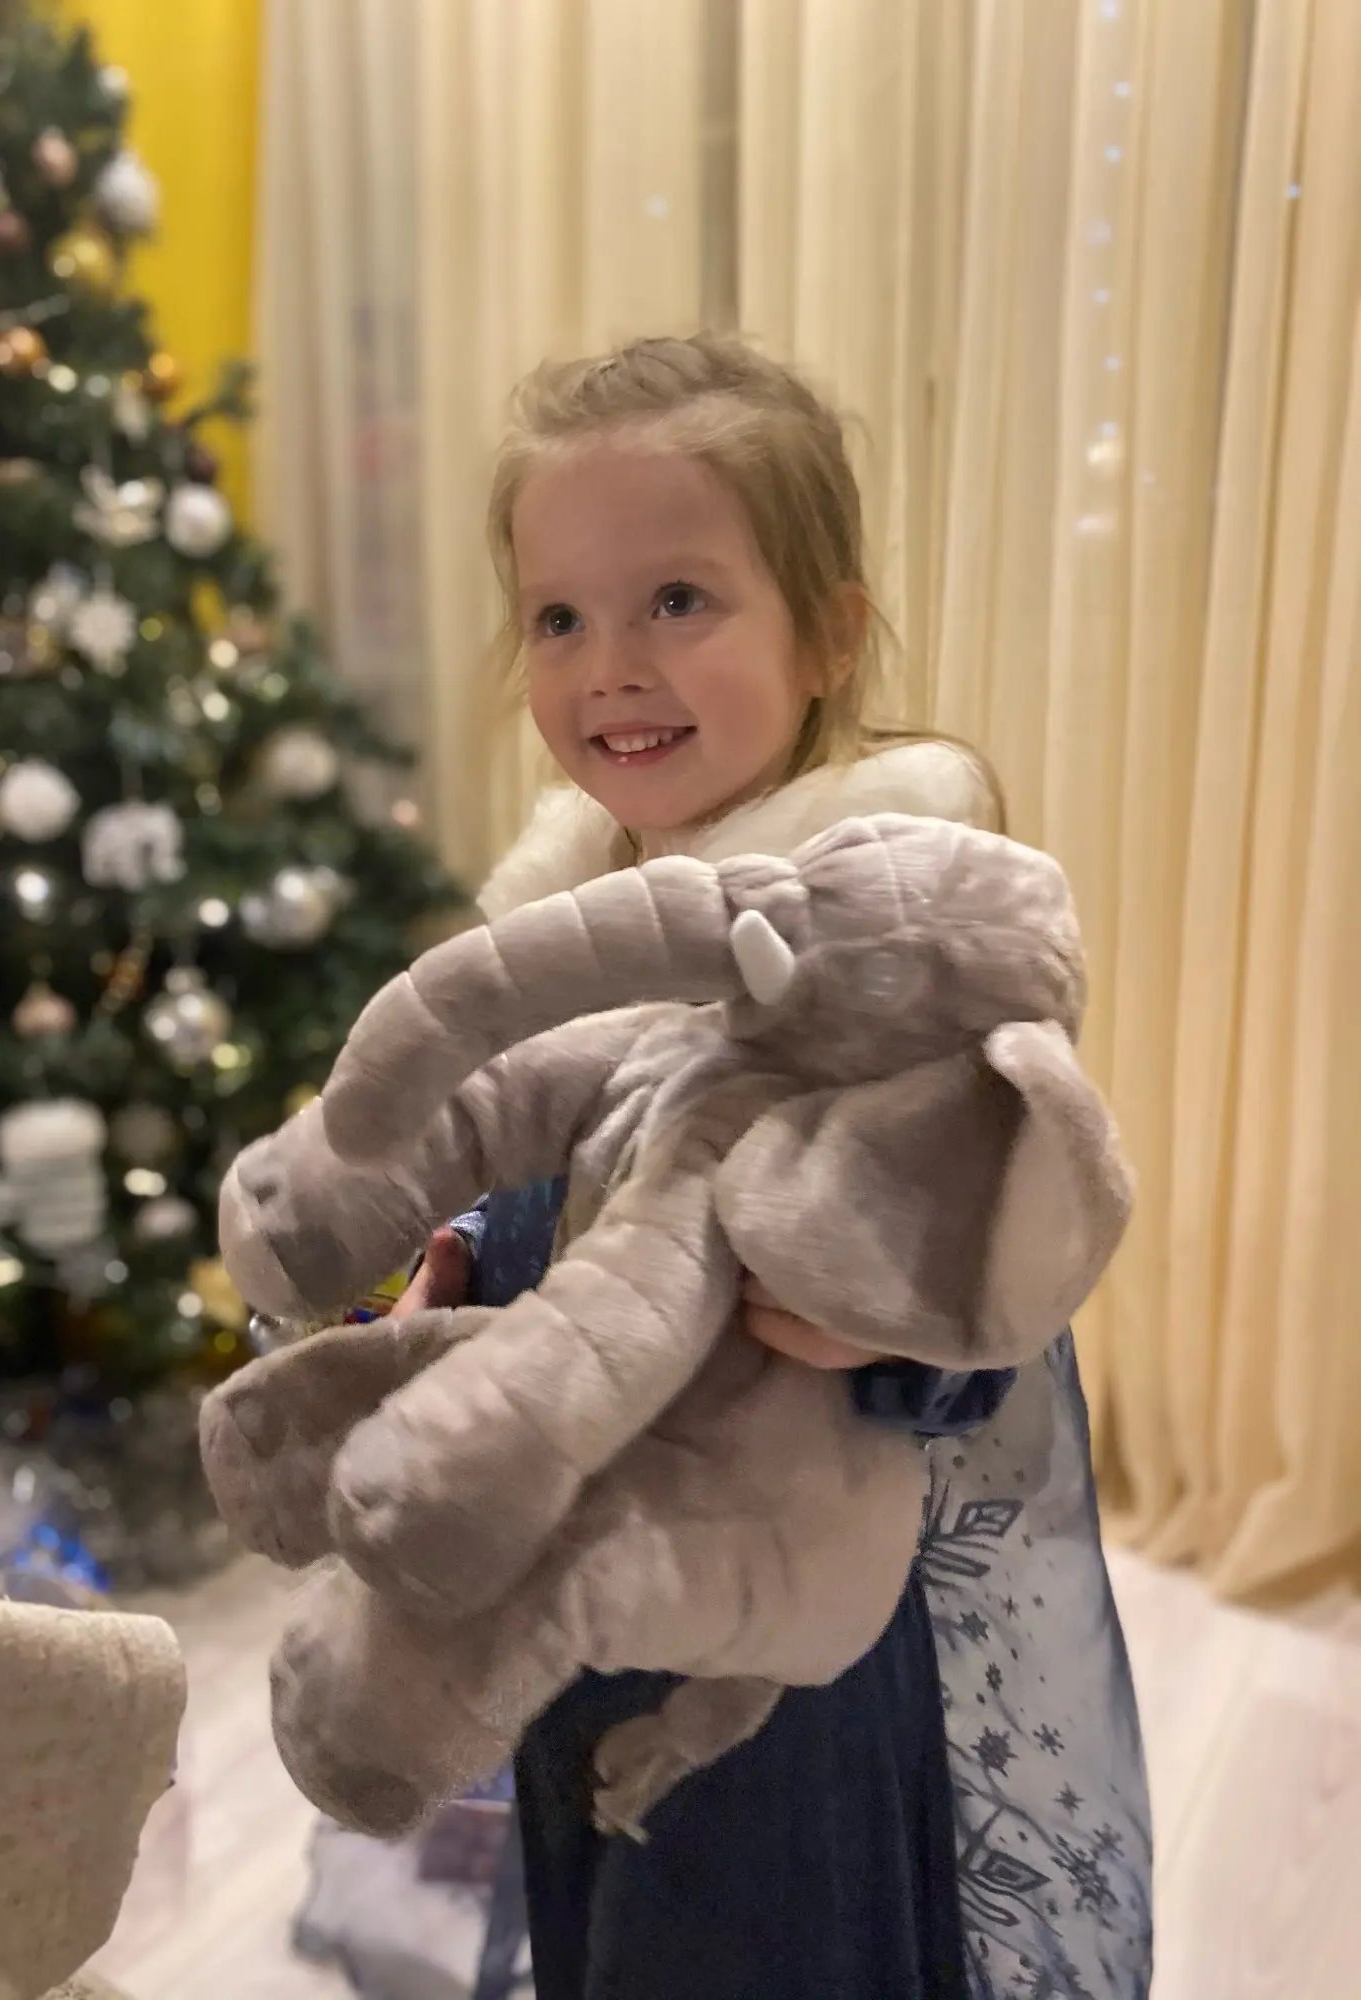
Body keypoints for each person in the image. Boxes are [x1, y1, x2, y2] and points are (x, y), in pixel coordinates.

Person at [390, 332, 1153, 2000]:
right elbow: (546, 1171)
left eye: (678, 601)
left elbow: (1012, 1254)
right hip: (574, 1577)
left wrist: (893, 1322)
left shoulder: (885, 942)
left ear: (829, 634)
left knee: (752, 1937)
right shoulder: (561, 934)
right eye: (559, 617)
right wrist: (463, 1262)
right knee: (594, 1900)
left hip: (784, 1639)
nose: (612, 668)